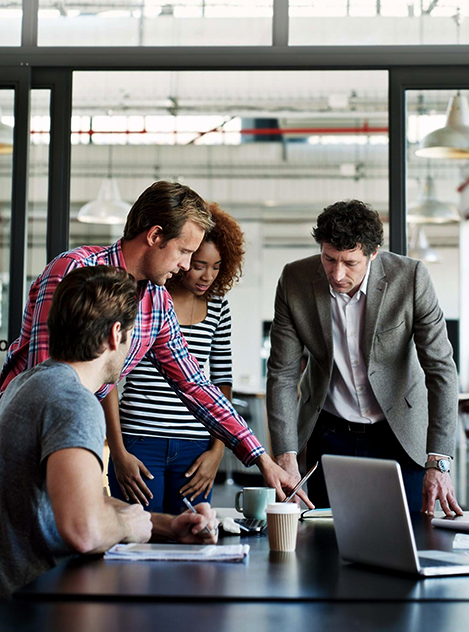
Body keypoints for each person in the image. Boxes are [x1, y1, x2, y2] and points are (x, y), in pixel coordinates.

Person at [0, 180, 308, 505]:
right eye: (185, 251)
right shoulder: (75, 270)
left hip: (74, 436)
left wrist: (262, 459)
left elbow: (194, 384)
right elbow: (48, 378)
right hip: (26, 440)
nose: (187, 266)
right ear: (155, 236)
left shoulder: (157, 301)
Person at [0, 267, 220, 597]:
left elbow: (80, 501)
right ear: (115, 334)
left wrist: (164, 526)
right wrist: (129, 526)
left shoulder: (29, 383)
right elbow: (83, 531)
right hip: (35, 608)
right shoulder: (74, 402)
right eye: (132, 336)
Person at [266, 199, 462, 515]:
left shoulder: (410, 278)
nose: (338, 273)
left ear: (372, 253)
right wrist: (285, 454)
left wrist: (438, 459)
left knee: (406, 544)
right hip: (330, 435)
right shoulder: (295, 280)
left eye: (350, 262)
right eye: (329, 259)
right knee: (326, 544)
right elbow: (282, 373)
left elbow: (441, 369)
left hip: (400, 434)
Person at [105, 203, 243, 513]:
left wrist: (217, 452)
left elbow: (220, 382)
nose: (208, 275)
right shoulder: (146, 297)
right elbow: (108, 376)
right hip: (139, 441)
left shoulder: (219, 308)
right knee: (137, 540)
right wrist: (117, 450)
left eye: (217, 266)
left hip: (195, 449)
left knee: (193, 540)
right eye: (198, 264)